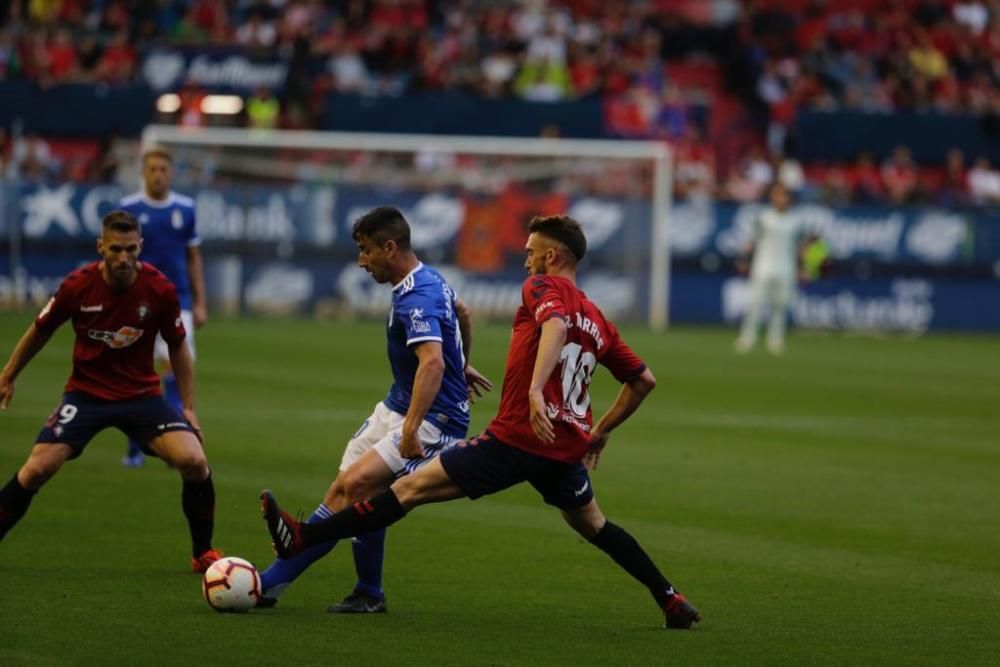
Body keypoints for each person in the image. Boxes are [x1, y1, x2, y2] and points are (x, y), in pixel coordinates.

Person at [261, 215, 702, 629]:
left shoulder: (540, 287)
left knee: (405, 489)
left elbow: (555, 327)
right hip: (564, 448)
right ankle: (669, 597)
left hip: (516, 440)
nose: (526, 259)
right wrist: (599, 432)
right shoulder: (600, 319)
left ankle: (305, 537)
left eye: (531, 251)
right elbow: (643, 380)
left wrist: (534, 390)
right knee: (596, 526)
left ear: (552, 257)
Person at [257, 206, 492, 612]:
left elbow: (433, 363)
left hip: (432, 419)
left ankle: (266, 584)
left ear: (389, 247)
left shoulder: (417, 295)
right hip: (397, 405)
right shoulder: (425, 279)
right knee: (344, 490)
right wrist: (464, 363)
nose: (361, 261)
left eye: (366, 251)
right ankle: (366, 592)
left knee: (357, 489)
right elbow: (463, 313)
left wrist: (412, 427)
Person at [0, 211, 222, 572]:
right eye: (115, 249)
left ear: (140, 247)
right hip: (85, 396)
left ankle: (202, 553)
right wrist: (8, 374)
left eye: (131, 249)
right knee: (37, 468)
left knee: (195, 462)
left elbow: (178, 346)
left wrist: (189, 407)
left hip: (142, 398)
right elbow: (40, 329)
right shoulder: (77, 286)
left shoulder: (159, 289)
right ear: (100, 246)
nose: (123, 258)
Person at [118, 148, 207, 467]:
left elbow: (193, 257)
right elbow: (120, 260)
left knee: (176, 370)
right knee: (138, 372)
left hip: (178, 300)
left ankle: (173, 440)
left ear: (171, 173)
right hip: (137, 302)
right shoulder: (129, 208)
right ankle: (135, 443)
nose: (158, 175)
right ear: (144, 172)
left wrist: (200, 302)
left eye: (163, 170)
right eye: (153, 169)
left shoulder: (186, 208)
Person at [734, 182, 805, 355]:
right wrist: (744, 259)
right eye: (778, 195)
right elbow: (752, 241)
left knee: (780, 305)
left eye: (784, 195)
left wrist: (801, 267)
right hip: (763, 265)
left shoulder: (795, 221)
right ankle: (747, 338)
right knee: (755, 304)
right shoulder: (764, 217)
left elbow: (800, 247)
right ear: (773, 197)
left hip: (785, 267)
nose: (781, 199)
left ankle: (775, 340)